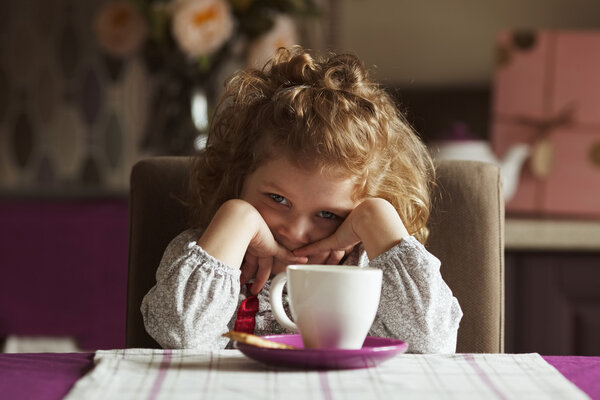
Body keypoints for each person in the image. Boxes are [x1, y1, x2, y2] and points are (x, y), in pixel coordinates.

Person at [141, 46, 463, 353]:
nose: (295, 231)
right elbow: (180, 336)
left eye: (328, 215)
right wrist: (237, 218)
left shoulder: (370, 272)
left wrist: (376, 217)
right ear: (239, 178)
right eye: (277, 198)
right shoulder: (208, 257)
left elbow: (433, 343)